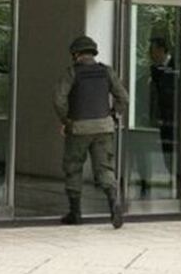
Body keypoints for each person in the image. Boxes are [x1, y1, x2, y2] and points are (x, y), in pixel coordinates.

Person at [54, 35, 129, 229]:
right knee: (104, 168)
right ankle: (114, 204)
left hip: (78, 128)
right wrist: (113, 116)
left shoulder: (72, 73)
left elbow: (59, 99)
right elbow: (123, 97)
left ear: (75, 54)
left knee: (73, 167)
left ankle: (75, 213)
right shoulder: (106, 71)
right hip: (104, 127)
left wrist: (66, 121)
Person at [143, 37, 178, 198]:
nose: (151, 54)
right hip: (162, 118)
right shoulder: (155, 70)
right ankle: (174, 181)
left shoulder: (176, 67)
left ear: (162, 50)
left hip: (175, 117)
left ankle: (179, 183)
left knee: (174, 151)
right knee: (166, 151)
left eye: (153, 50)